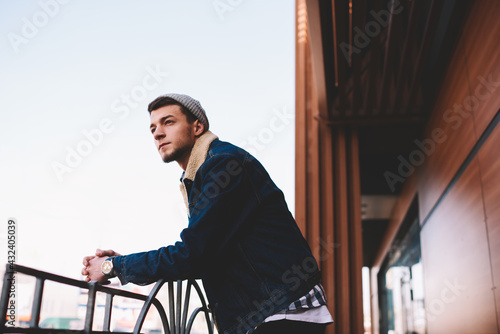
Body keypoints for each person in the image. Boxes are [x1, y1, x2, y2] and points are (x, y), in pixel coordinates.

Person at [82, 93, 333, 334]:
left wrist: (113, 266)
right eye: (152, 128)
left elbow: (194, 253)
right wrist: (122, 263)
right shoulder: (204, 173)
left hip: (283, 313)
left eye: (168, 122)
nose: (158, 133)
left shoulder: (223, 165)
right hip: (269, 313)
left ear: (197, 127)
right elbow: (204, 255)